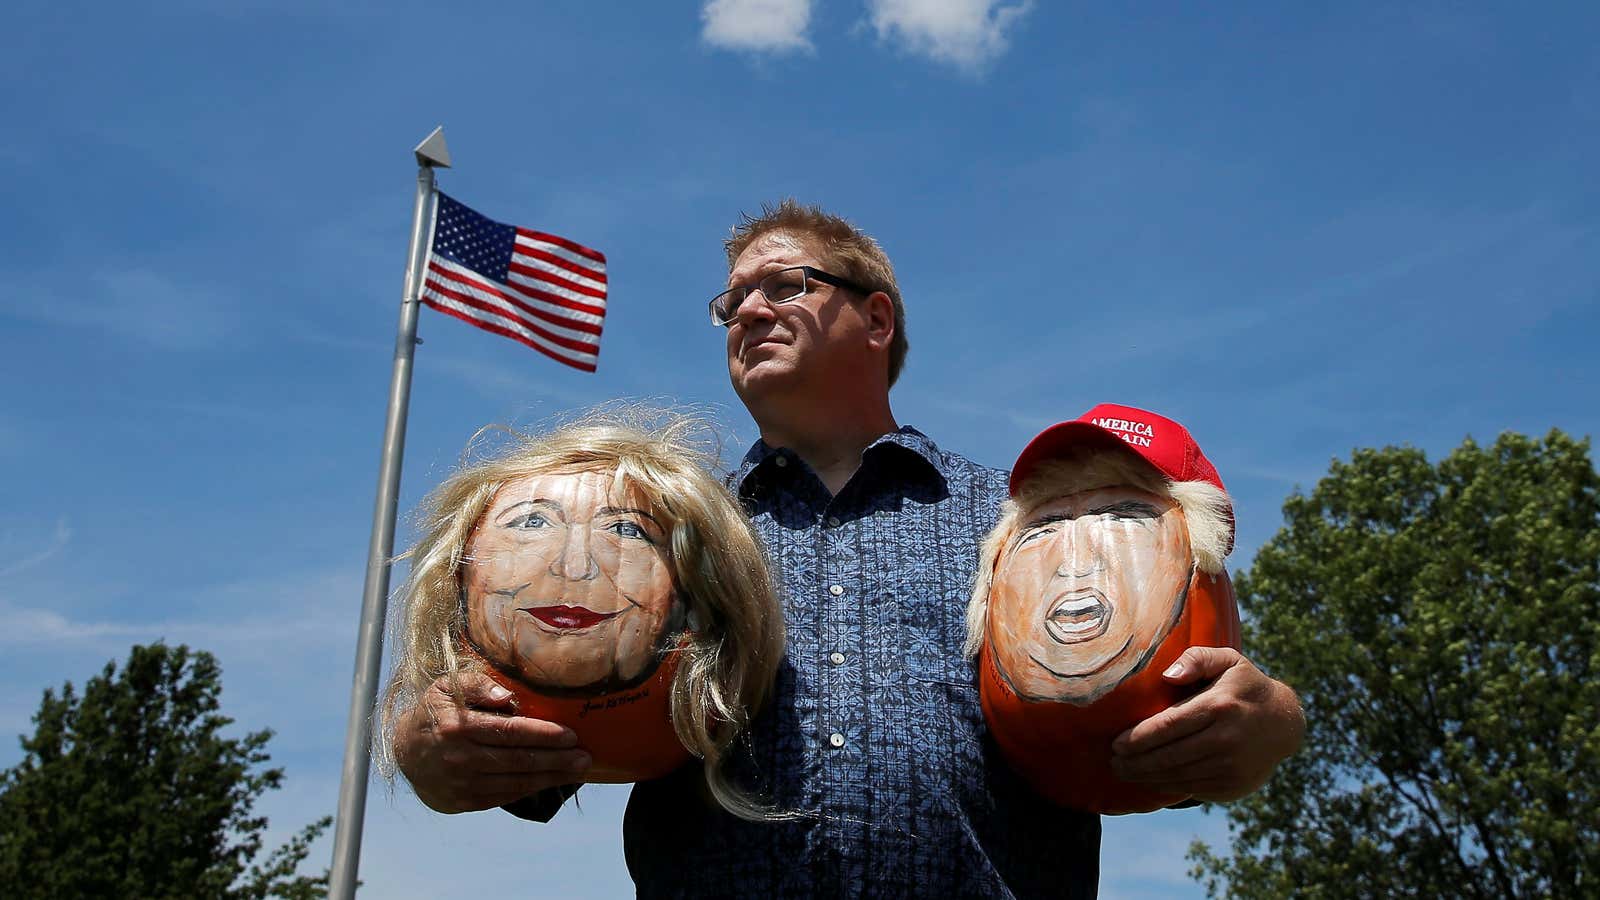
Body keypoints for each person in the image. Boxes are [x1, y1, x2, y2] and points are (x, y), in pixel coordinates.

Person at [391, 201, 1306, 897]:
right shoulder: (661, 540)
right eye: (732, 300)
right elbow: (530, 739)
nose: (748, 311)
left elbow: (1180, 701)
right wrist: (434, 745)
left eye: (784, 285)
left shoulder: (1025, 519)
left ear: (876, 320)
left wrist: (1271, 721)